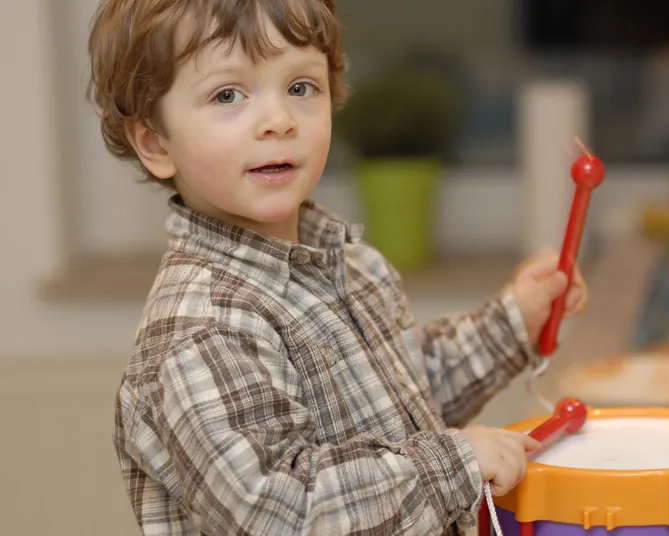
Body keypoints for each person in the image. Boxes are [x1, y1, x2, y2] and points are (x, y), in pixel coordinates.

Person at [87, 0, 588, 534]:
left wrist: (512, 325)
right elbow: (282, 512)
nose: (278, 121)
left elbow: (404, 407)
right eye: (227, 94)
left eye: (301, 87)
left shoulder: (351, 261)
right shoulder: (201, 330)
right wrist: (452, 465)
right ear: (155, 143)